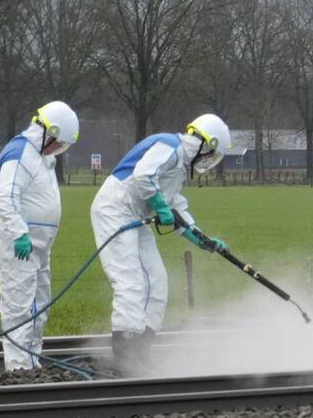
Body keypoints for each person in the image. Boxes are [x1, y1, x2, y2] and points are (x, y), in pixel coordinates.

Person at [91, 114, 230, 372]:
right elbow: (143, 176)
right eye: (212, 153)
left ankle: (141, 350)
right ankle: (124, 354)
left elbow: (175, 208)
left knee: (156, 280)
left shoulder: (178, 168)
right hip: (115, 209)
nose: (210, 160)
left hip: (135, 215)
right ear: (204, 144)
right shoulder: (169, 146)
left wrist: (202, 239)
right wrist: (158, 204)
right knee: (130, 280)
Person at [0, 101, 79, 371]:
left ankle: (31, 364)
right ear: (47, 133)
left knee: (38, 307)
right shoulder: (20, 153)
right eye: (58, 143)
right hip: (17, 243)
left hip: (36, 245)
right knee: (18, 308)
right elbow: (5, 196)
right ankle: (18, 371)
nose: (58, 150)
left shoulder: (40, 158)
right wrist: (19, 234)